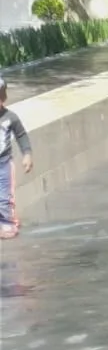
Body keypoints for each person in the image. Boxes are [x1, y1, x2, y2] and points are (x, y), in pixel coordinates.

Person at [0, 75, 33, 239]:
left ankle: (8, 224)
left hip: (4, 164)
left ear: (4, 98)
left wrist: (27, 154)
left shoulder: (10, 117)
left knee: (5, 197)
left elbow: (21, 135)